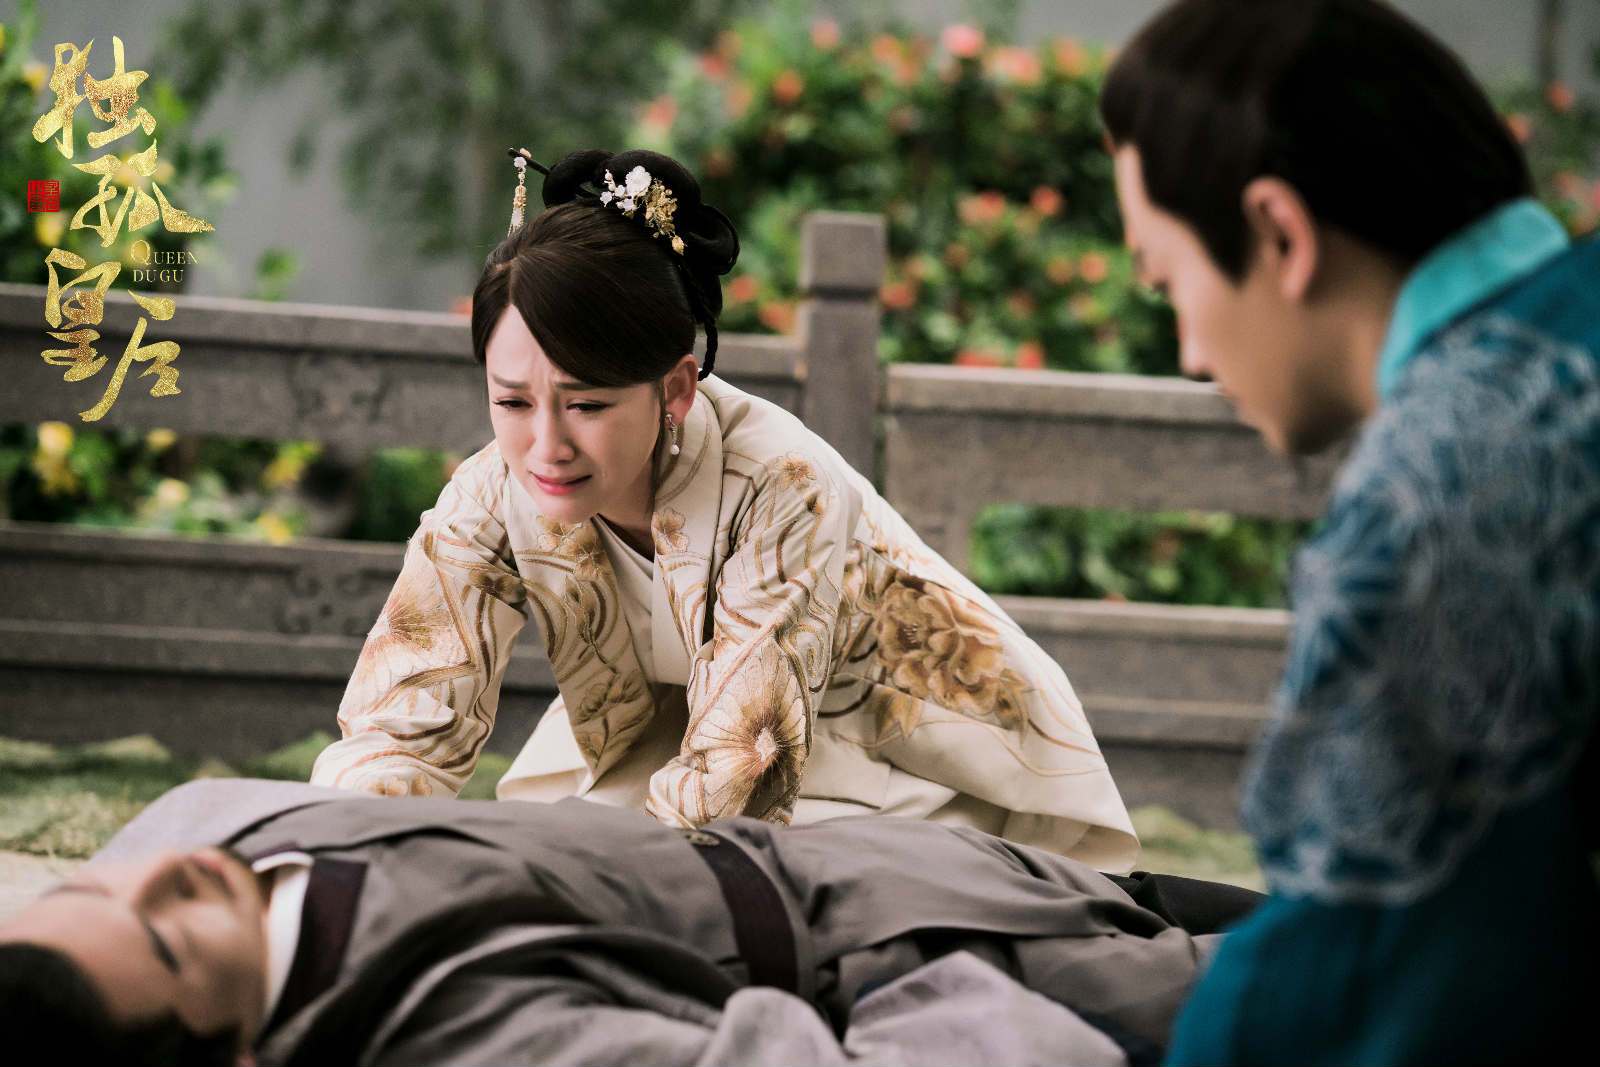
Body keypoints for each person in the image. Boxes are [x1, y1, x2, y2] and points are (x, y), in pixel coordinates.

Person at [308, 145, 1139, 870]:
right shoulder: (494, 488)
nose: (545, 445)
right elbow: (400, 717)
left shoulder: (782, 480)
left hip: (901, 760)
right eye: (512, 402)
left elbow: (740, 776)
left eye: (587, 404)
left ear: (675, 387)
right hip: (672, 748)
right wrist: (340, 855)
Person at [1098, 0, 1600, 1063]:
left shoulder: (1443, 485)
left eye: (1168, 281)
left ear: (1279, 233)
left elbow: (1347, 991)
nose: (1190, 352)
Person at [0, 778, 1262, 1066]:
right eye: (170, 941)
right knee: (1331, 999)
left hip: (886, 851)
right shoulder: (450, 1035)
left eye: (94, 885)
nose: (172, 875)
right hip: (941, 960)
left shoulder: (180, 835)